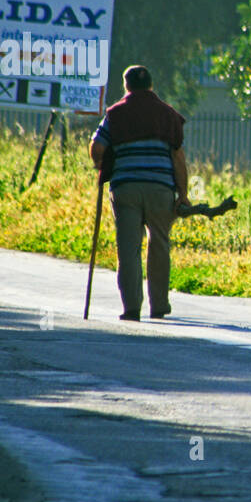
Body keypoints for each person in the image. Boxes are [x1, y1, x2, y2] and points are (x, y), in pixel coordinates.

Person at [89, 65, 190, 320]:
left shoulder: (115, 114)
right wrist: (183, 194)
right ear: (151, 86)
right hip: (160, 189)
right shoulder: (168, 115)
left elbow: (97, 148)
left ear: (126, 86)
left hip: (127, 188)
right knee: (159, 244)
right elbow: (178, 158)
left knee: (129, 248)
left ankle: (132, 308)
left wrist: (100, 163)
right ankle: (159, 306)